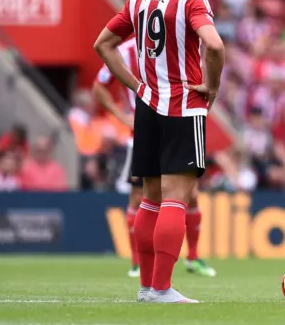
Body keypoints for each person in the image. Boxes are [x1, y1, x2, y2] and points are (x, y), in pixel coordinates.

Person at [94, 0, 225, 303]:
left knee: (149, 200)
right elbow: (214, 44)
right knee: (176, 200)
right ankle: (163, 288)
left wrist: (136, 86)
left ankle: (147, 288)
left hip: (148, 109)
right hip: (183, 105)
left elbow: (102, 44)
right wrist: (211, 86)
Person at [92, 37, 217, 279]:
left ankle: (192, 257)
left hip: (176, 123)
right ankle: (138, 262)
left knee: (189, 194)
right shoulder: (126, 51)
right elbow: (99, 86)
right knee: (141, 196)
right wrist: (120, 116)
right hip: (143, 130)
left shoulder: (173, 44)